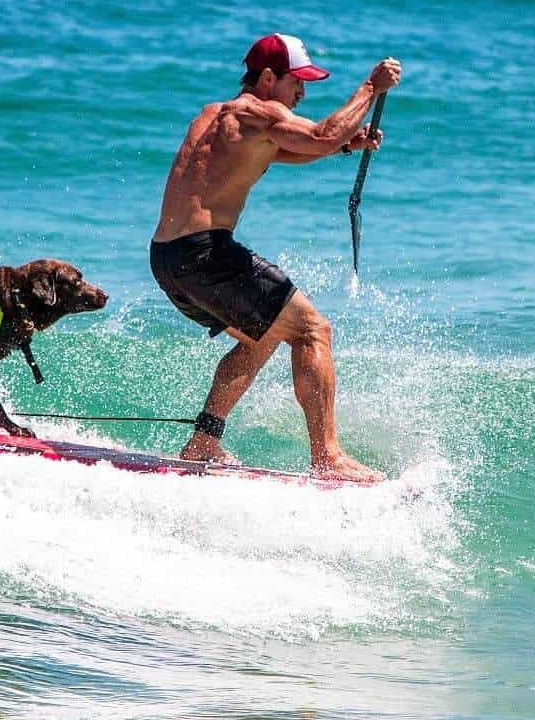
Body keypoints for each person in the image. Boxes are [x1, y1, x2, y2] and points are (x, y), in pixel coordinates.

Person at [150, 33, 402, 482]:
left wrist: (346, 145)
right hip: (206, 254)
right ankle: (329, 457)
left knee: (263, 333)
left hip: (167, 259)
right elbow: (321, 133)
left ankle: (204, 440)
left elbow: (294, 148)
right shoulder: (261, 111)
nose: (302, 93)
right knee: (312, 330)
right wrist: (370, 88)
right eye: (296, 82)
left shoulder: (215, 115)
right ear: (268, 78)